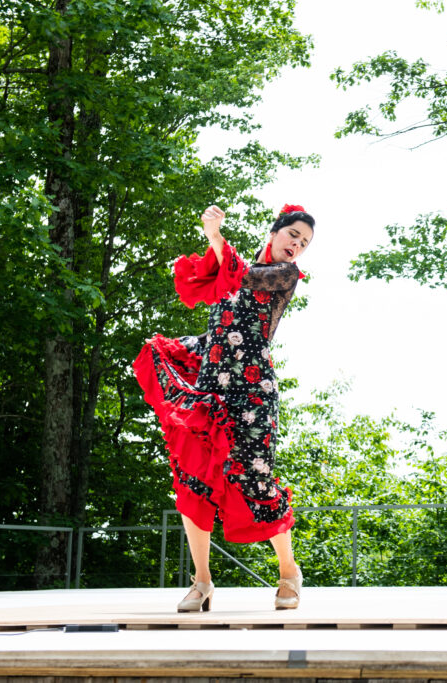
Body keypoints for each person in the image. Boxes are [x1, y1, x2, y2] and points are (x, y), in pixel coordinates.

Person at [133, 204, 313, 612]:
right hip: (212, 390)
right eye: (293, 236)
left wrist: (215, 237)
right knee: (193, 480)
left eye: (304, 243)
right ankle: (202, 582)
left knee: (256, 478)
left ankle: (289, 572)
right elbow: (220, 332)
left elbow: (243, 279)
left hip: (252, 393)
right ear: (274, 233)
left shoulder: (285, 276)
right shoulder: (227, 280)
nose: (297, 246)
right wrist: (178, 349)